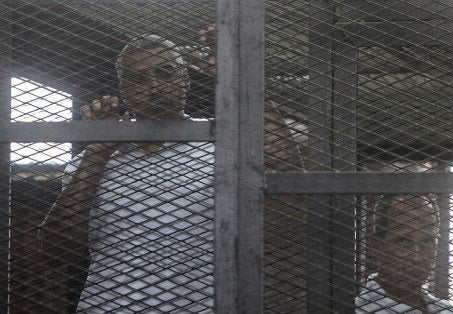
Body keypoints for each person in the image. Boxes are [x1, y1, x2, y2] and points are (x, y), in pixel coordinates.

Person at [37, 32, 303, 312]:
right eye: (139, 79)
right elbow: (55, 254)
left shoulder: (221, 143)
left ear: (185, 79)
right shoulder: (93, 159)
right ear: (123, 89)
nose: (154, 85)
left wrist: (240, 78)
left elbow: (288, 172)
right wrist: (96, 154)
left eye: (165, 73)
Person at [355, 194, 453, 314]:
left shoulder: (446, 310)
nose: (417, 258)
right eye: (403, 242)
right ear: (376, 245)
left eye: (427, 241)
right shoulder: (357, 311)